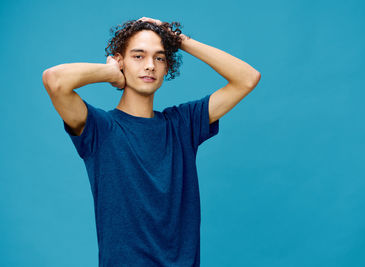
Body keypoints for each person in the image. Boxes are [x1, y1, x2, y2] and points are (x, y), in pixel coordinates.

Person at [42, 16, 261, 267]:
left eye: (159, 57)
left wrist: (179, 40)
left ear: (167, 67)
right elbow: (55, 80)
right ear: (121, 60)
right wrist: (111, 73)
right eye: (138, 56)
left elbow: (247, 78)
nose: (150, 66)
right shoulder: (100, 128)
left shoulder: (183, 124)